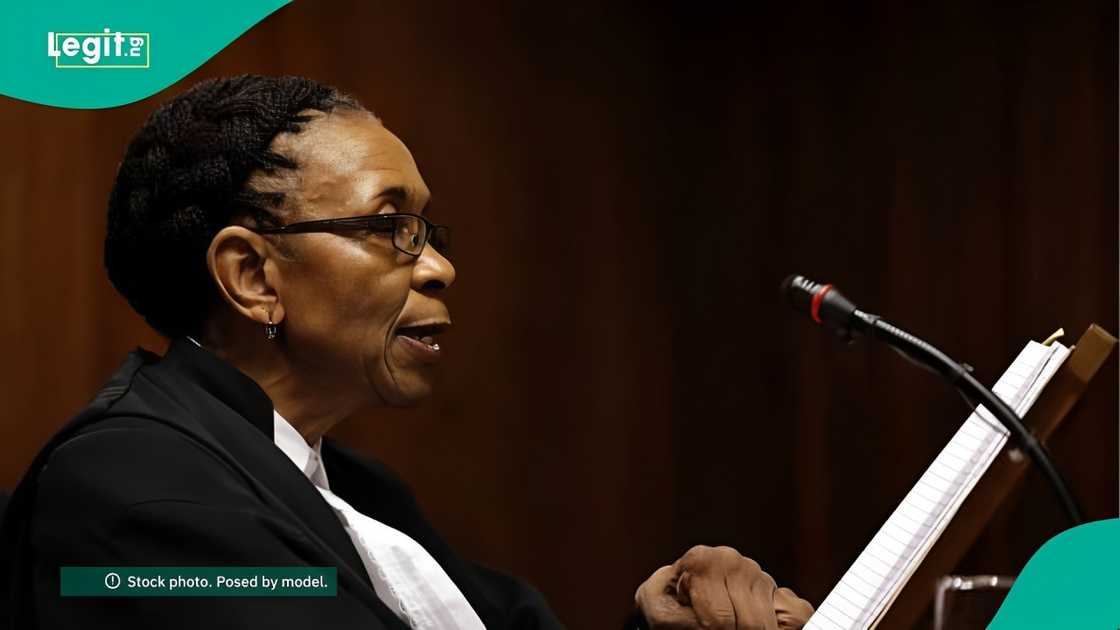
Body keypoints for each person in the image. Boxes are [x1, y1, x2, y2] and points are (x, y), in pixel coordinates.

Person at [0, 75, 813, 629]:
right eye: (390, 226)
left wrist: (663, 618)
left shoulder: (361, 489)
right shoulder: (129, 484)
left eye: (427, 230)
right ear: (252, 277)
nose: (438, 267)